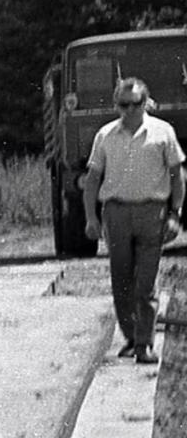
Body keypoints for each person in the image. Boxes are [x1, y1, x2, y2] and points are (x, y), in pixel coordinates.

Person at [83, 77, 184, 365]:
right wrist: (91, 218)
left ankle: (145, 344)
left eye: (135, 104)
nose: (129, 110)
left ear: (146, 103)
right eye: (123, 105)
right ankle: (130, 337)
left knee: (146, 282)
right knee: (121, 279)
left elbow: (178, 176)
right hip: (116, 213)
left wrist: (176, 215)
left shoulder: (162, 133)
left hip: (152, 212)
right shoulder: (105, 136)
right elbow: (92, 181)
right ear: (116, 105)